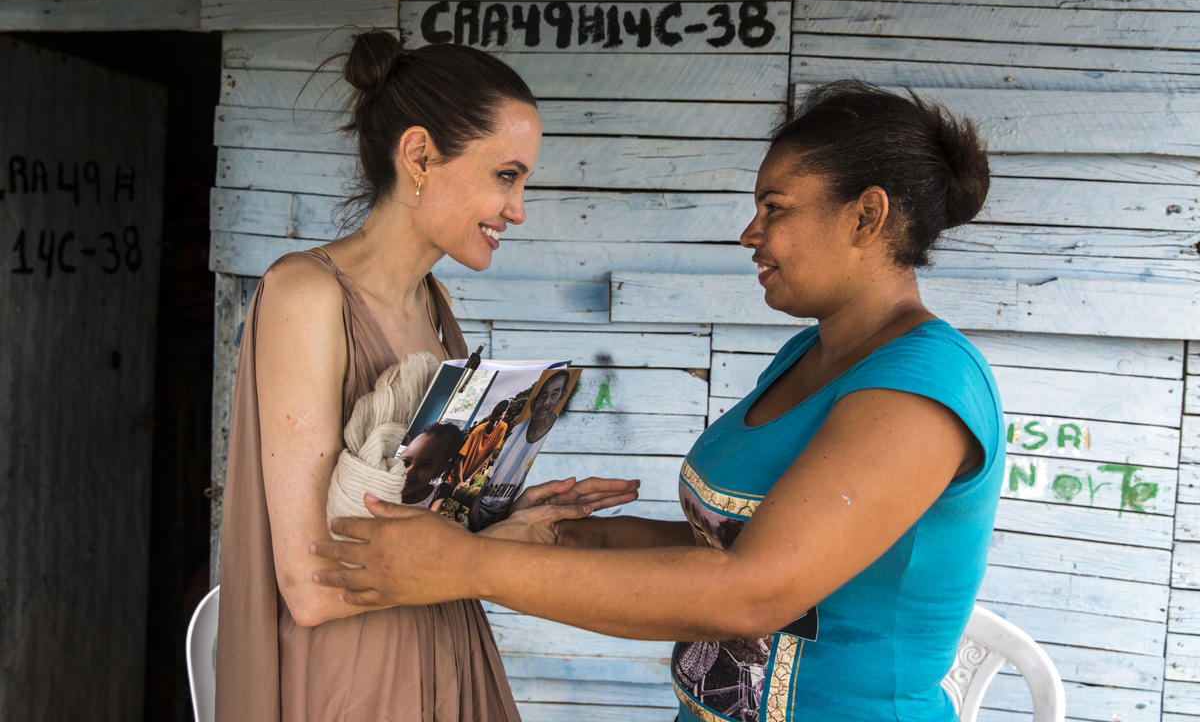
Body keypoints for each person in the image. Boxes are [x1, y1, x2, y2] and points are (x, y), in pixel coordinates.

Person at [311, 80, 1007, 722]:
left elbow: (753, 591)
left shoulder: (926, 389)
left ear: (867, 216)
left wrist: (466, 567)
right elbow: (735, 541)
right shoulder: (811, 356)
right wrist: (569, 536)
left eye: (776, 208)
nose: (751, 233)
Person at [214, 29, 640, 722]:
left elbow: (417, 523)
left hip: (443, 643)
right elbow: (311, 585)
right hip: (357, 675)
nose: (518, 209)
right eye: (506, 176)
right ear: (418, 155)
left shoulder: (432, 306)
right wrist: (492, 554)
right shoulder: (306, 294)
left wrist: (517, 518)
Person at [468, 370, 572, 530]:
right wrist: (475, 505)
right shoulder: (516, 431)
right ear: (534, 402)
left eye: (554, 395)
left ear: (562, 396)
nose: (546, 402)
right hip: (481, 509)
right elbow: (490, 475)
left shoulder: (558, 436)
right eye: (543, 395)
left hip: (512, 518)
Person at [447, 399, 509, 490]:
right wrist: (460, 481)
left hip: (473, 477)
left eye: (499, 420)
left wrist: (468, 479)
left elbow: (489, 455)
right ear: (490, 417)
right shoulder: (478, 431)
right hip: (457, 476)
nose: (495, 424)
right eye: (493, 421)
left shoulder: (503, 427)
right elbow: (460, 458)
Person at [400, 423, 466, 509]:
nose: (408, 472)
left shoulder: (437, 501)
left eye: (424, 465)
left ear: (440, 470)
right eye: (406, 461)